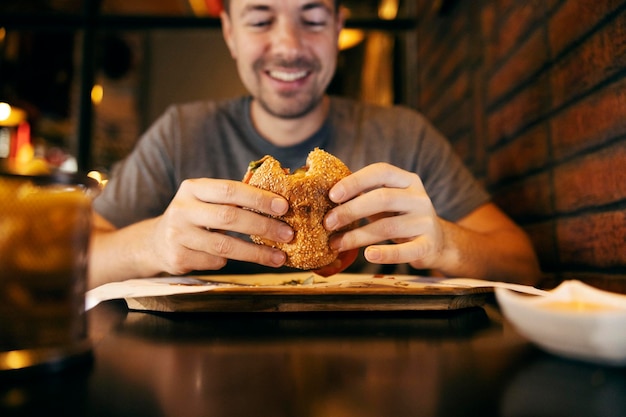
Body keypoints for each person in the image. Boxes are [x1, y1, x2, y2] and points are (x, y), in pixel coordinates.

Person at [88, 0, 541, 289]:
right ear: (229, 32)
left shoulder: (403, 135)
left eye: (313, 18)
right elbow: (74, 261)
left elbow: (522, 263)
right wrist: (151, 243)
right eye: (261, 19)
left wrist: (446, 245)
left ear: (338, 27)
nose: (288, 44)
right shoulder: (179, 135)